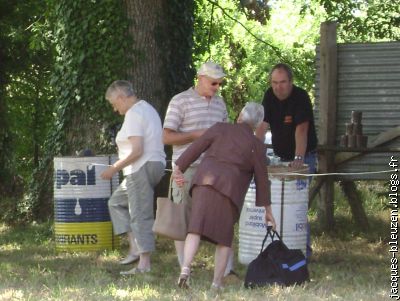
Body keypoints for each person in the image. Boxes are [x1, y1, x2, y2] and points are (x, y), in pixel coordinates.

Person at [173, 102, 277, 290]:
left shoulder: (219, 128)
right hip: (230, 190)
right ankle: (216, 283)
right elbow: (262, 180)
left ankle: (185, 269)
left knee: (194, 228)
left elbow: (196, 147)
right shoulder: (257, 146)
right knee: (224, 238)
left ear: (239, 117)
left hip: (203, 183)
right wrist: (267, 211)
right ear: (257, 124)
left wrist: (178, 168)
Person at [163, 61, 237, 277]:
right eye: (214, 83)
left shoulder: (220, 104)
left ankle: (226, 270)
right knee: (181, 220)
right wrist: (198, 135)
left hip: (215, 170)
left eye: (220, 84)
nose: (217, 88)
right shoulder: (180, 101)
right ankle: (184, 268)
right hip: (186, 169)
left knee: (221, 217)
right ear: (200, 78)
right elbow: (166, 137)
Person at [101, 80, 166, 275]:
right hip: (149, 166)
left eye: (114, 104)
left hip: (141, 167)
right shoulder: (147, 109)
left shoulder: (134, 114)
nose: (115, 109)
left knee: (139, 213)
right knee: (116, 202)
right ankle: (135, 248)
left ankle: (144, 264)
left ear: (121, 97)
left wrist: (114, 168)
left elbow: (137, 150)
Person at [255, 63, 317, 258]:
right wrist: (252, 151)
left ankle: (302, 251)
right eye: (274, 83)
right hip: (280, 158)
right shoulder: (269, 96)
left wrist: (299, 158)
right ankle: (277, 248)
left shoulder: (300, 97)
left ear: (291, 82)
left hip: (304, 157)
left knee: (296, 204)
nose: (278, 87)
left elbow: (302, 130)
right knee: (276, 203)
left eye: (282, 83)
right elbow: (262, 127)